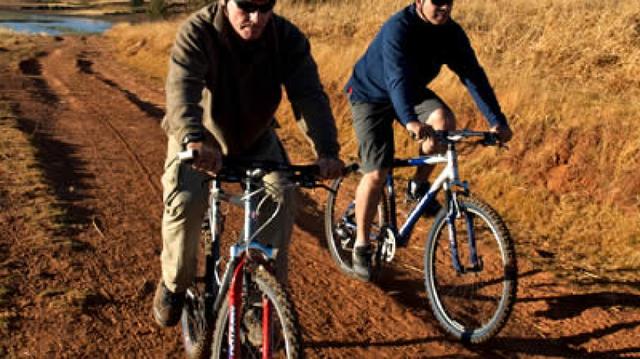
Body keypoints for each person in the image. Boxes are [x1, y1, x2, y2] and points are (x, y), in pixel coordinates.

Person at [153, 0, 344, 328]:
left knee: (280, 194)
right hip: (201, 138)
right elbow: (182, 89)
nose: (255, 18)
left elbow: (309, 95)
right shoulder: (198, 32)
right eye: (245, 6)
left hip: (256, 138)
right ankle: (173, 285)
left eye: (265, 7)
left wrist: (326, 150)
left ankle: (259, 302)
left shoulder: (286, 38)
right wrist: (192, 139)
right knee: (185, 201)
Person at [345, 0, 513, 281]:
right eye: (438, 2)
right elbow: (395, 78)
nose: (445, 8)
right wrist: (410, 120)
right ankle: (361, 244)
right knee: (376, 172)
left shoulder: (452, 33)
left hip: (409, 91)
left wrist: (497, 120)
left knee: (443, 124)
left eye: (450, 2)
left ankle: (419, 185)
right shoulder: (399, 28)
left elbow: (473, 75)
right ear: (419, 1)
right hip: (370, 95)